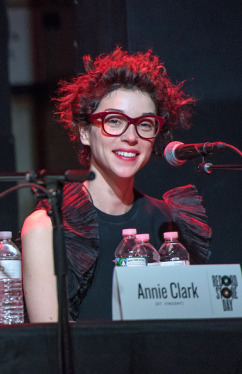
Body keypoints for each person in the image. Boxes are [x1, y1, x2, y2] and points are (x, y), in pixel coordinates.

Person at [21, 47, 212, 323]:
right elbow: (52, 351)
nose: (131, 137)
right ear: (85, 131)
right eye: (114, 121)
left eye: (145, 124)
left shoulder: (170, 222)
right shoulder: (46, 229)